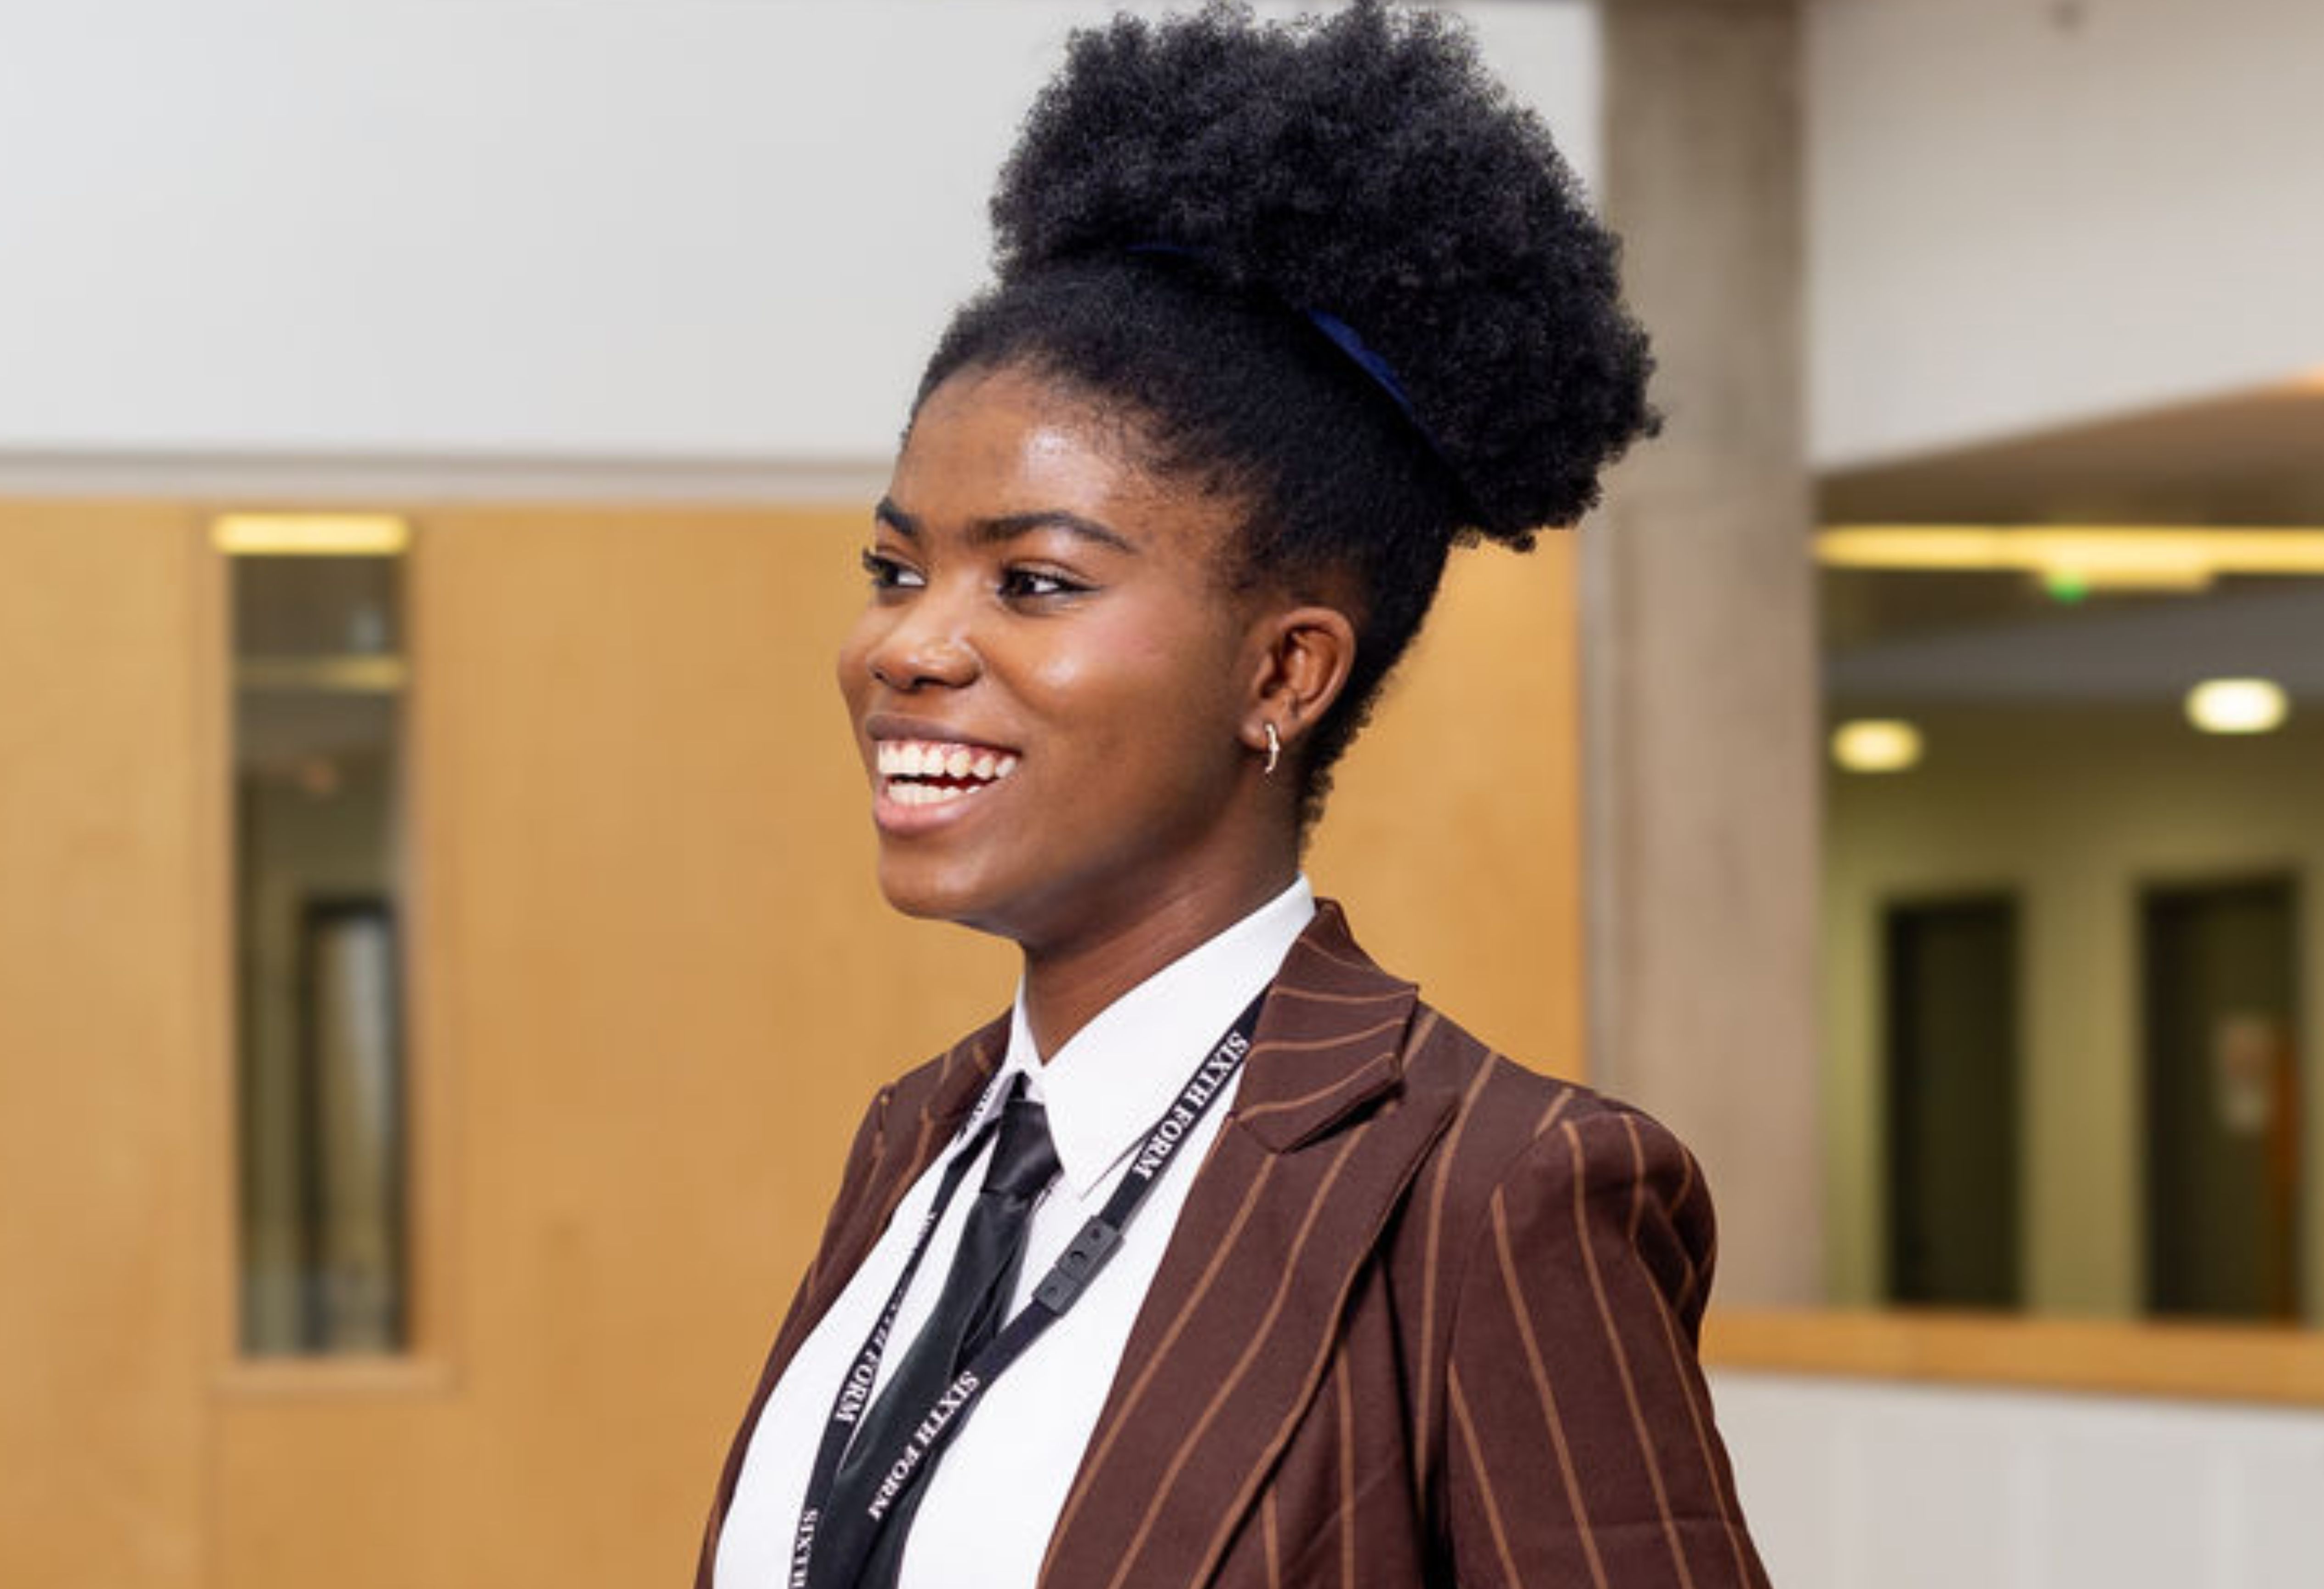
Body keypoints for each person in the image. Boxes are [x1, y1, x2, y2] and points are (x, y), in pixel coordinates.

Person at [697, 5, 1772, 1587]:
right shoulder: (916, 1144)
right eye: (895, 567)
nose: (908, 646)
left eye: (1037, 581)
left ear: (1284, 677)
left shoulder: (1494, 1191)